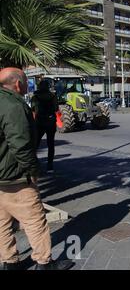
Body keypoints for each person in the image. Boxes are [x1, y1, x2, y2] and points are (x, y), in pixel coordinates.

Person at [0, 68, 73, 270]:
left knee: (2, 224)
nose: (26, 86)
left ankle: (10, 262)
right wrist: (32, 171)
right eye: (24, 82)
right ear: (17, 84)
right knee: (34, 221)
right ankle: (44, 262)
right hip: (15, 178)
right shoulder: (13, 106)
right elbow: (21, 145)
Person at [31, 80, 58, 172]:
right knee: (51, 144)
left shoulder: (35, 97)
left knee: (36, 143)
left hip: (39, 122)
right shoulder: (53, 96)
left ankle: (34, 163)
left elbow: (33, 108)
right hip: (50, 122)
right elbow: (56, 108)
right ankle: (50, 165)